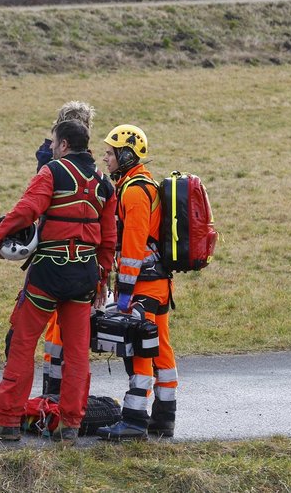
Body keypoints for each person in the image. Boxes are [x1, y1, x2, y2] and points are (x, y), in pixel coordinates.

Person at [0, 120, 116, 442]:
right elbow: (109, 239)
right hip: (84, 276)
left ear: (64, 144)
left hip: (47, 274)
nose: (51, 147)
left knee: (23, 345)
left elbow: (26, 210)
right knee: (78, 353)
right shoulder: (103, 184)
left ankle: (7, 420)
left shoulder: (52, 172)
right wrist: (102, 278)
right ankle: (70, 424)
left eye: (54, 142)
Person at [96, 124, 177, 441]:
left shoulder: (134, 191)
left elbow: (132, 250)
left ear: (126, 155)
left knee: (140, 350)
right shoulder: (136, 185)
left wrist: (125, 295)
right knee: (161, 351)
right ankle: (163, 418)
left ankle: (134, 420)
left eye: (110, 152)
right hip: (156, 285)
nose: (105, 157)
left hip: (144, 287)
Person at [29, 101, 97, 396]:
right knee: (74, 342)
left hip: (46, 256)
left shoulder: (47, 158)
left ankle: (50, 393)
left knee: (32, 334)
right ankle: (67, 407)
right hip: (79, 260)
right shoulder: (81, 166)